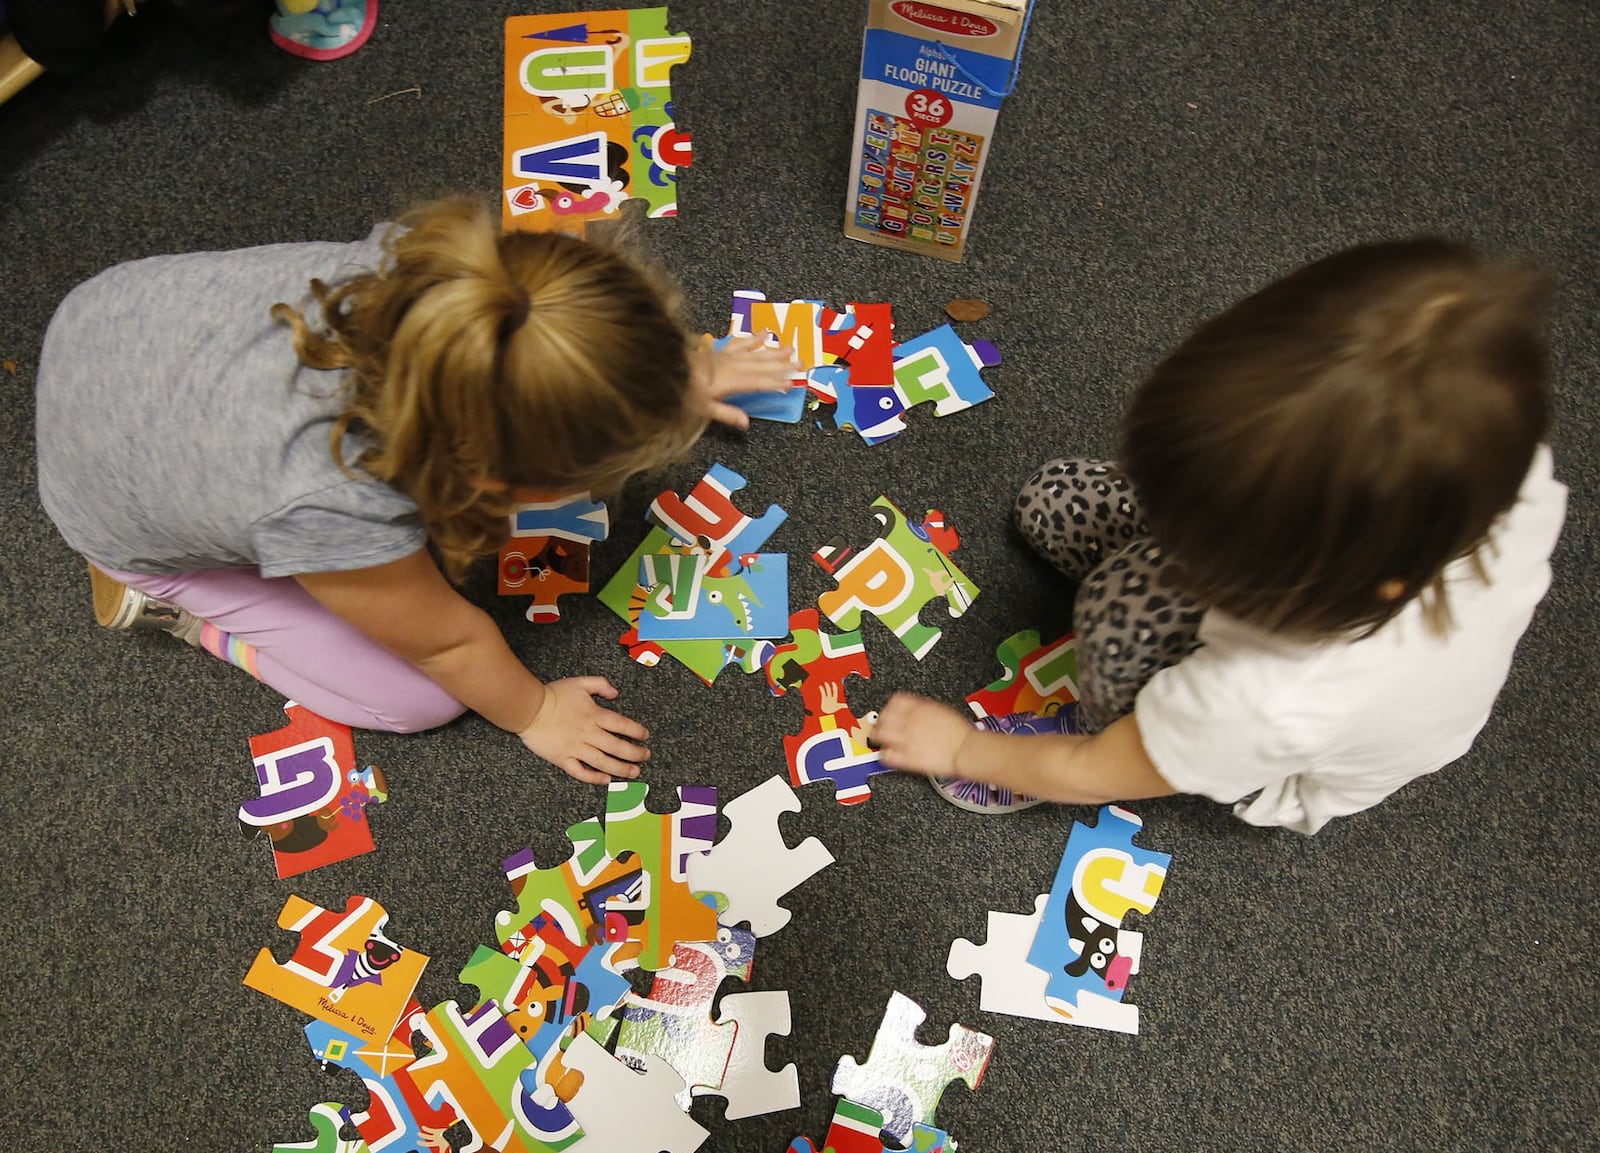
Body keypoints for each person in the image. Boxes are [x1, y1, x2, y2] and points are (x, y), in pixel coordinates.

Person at [35, 196, 795, 784]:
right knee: (418, 701)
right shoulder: (331, 506)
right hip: (117, 512)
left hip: (106, 322)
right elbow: (447, 641)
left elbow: (556, 327)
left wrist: (665, 375)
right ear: (489, 482)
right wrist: (534, 711)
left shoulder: (437, 270)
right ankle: (180, 614)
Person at [874, 240, 1567, 834]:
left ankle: (1100, 717)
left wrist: (964, 750)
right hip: (1328, 591)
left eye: (1197, 532)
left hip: (1289, 744)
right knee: (1053, 500)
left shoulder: (1271, 701)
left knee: (1116, 619)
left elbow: (1093, 775)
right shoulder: (1494, 458)